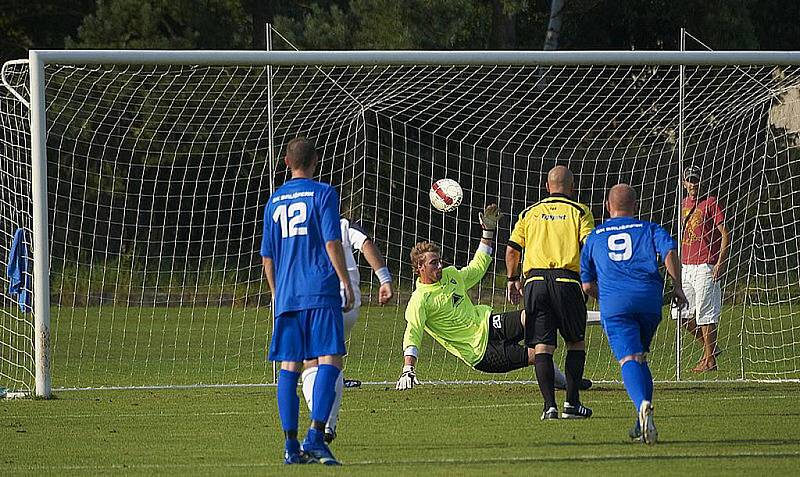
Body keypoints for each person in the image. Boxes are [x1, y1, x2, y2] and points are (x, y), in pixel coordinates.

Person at [395, 205, 590, 392]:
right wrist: (408, 368)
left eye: (439, 261)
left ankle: (582, 344)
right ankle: (567, 382)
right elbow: (413, 333)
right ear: (420, 268)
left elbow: (477, 267)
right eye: (433, 263)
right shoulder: (419, 300)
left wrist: (487, 231)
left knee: (535, 315)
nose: (439, 266)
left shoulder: (450, 275)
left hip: (488, 324)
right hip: (479, 351)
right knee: (536, 354)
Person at [261, 137, 354, 466]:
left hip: (287, 294)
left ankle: (290, 446)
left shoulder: (274, 200)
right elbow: (332, 242)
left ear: (287, 162)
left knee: (289, 367)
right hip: (319, 289)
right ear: (316, 161)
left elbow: (267, 257)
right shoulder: (324, 193)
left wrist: (276, 293)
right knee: (330, 360)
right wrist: (345, 281)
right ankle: (315, 436)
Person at [580, 184, 688, 444]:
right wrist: (677, 286)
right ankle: (641, 423)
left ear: (608, 206)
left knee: (628, 358)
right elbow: (669, 252)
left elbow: (586, 284)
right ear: (635, 206)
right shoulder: (649, 229)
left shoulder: (595, 236)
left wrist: (605, 298)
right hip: (649, 302)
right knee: (640, 357)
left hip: (616, 303)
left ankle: (642, 405)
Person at [505, 165, 595, 420]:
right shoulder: (579, 211)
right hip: (567, 281)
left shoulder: (529, 213)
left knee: (542, 347)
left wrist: (513, 279)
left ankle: (549, 407)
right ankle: (572, 404)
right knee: (575, 342)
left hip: (534, 282)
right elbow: (589, 246)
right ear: (572, 187)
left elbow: (512, 250)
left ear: (547, 186)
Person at [301, 218, 394, 443]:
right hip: (348, 303)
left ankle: (320, 420)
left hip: (316, 299)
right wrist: (385, 280)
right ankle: (329, 425)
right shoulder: (343, 224)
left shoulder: (301, 227)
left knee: (310, 361)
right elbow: (366, 245)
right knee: (332, 361)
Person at [674, 165, 729, 372]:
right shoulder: (682, 205)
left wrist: (720, 262)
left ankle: (709, 361)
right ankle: (711, 349)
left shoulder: (710, 203)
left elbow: (725, 233)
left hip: (706, 265)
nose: (693, 184)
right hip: (686, 265)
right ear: (684, 183)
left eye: (696, 180)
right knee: (681, 314)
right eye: (689, 180)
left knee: (705, 314)